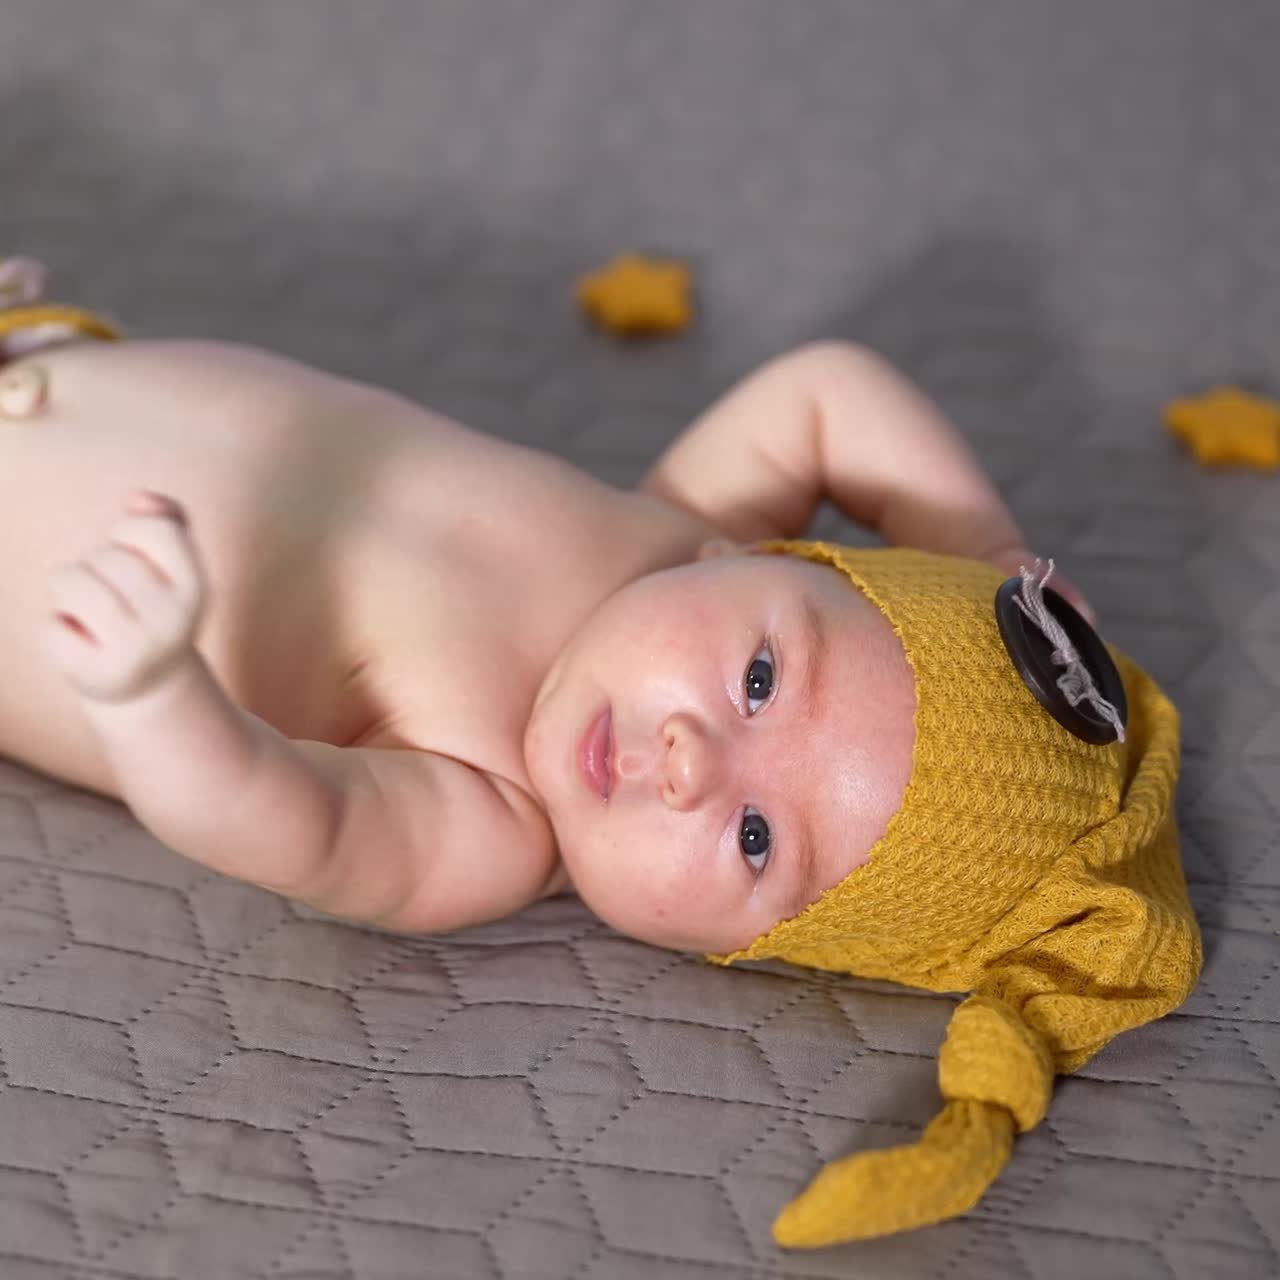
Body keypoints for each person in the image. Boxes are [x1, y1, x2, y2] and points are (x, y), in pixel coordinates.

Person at [0, 257, 1200, 1246]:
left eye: (751, 838)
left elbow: (271, 813)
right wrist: (978, 542)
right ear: (782, 559)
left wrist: (151, 687)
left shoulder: (492, 821)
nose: (688, 762)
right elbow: (829, 390)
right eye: (761, 679)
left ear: (744, 950)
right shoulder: (680, 534)